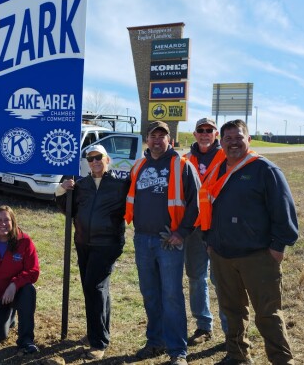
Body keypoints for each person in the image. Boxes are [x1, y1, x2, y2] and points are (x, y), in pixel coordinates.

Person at [200, 119, 298, 365]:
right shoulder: (217, 169)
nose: (233, 143)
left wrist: (277, 249)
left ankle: (282, 360)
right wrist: (210, 242)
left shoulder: (265, 170)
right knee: (232, 312)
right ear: (220, 142)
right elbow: (208, 208)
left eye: (238, 137)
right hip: (222, 255)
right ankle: (238, 356)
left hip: (258, 257)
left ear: (249, 139)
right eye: (228, 138)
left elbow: (284, 213)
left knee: (267, 314)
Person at [126, 121, 200, 365]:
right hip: (142, 238)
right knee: (149, 294)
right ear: (146, 139)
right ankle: (155, 342)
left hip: (169, 240)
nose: (157, 140)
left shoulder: (181, 165)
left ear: (170, 139)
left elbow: (195, 204)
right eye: (153, 136)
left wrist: (181, 232)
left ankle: (178, 351)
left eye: (162, 136)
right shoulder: (139, 165)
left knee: (171, 295)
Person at [56, 144, 129, 361]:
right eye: (90, 158)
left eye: (99, 157)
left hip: (107, 245)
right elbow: (67, 209)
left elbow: (134, 205)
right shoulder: (82, 185)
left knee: (93, 287)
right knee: (98, 289)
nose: (95, 161)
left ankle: (98, 342)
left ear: (108, 160)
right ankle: (97, 332)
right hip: (84, 243)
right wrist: (62, 190)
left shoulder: (120, 185)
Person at [182, 117, 228, 345]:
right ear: (195, 134)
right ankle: (203, 326)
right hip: (194, 228)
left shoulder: (227, 157)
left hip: (219, 228)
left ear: (216, 134)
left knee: (222, 279)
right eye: (201, 130)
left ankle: (232, 330)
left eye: (209, 130)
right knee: (196, 278)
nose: (205, 133)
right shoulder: (184, 160)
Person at [0, 206, 40, 355]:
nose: (3, 223)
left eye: (7, 220)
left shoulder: (24, 241)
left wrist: (14, 284)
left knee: (29, 290)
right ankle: (10, 316)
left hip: (15, 291)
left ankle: (26, 340)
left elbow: (33, 271)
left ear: (13, 222)